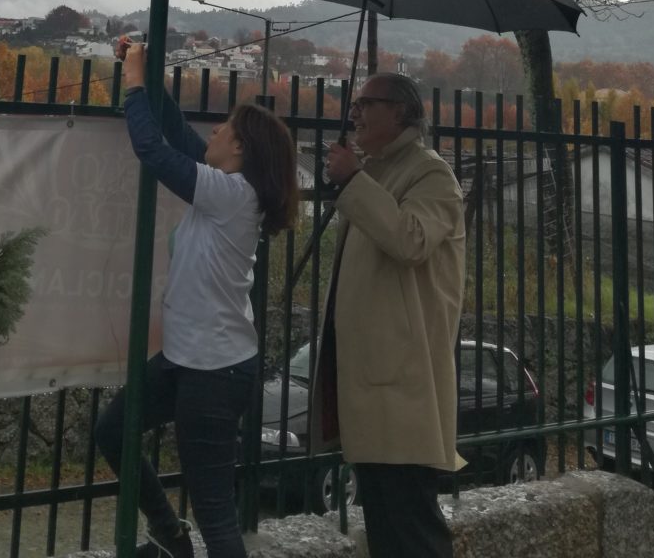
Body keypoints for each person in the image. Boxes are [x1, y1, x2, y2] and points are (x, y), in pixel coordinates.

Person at [96, 43, 299, 558]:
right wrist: (147, 72)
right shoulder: (225, 188)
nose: (213, 134)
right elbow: (177, 133)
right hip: (187, 358)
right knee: (113, 431)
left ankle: (178, 536)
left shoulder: (233, 195)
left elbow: (153, 149)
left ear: (241, 149)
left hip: (215, 370)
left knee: (215, 514)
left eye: (223, 129)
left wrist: (134, 86)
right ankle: (170, 535)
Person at [311, 72, 465, 558]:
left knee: (412, 530)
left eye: (366, 104)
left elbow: (411, 240)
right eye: (354, 104)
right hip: (375, 383)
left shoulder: (431, 173)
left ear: (399, 111)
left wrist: (354, 180)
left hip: (404, 386)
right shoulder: (378, 171)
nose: (354, 112)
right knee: (386, 529)